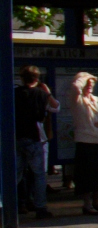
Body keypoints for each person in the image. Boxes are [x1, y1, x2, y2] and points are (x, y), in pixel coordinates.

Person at [14, 66, 59, 219]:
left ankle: (11, 203)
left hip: (17, 136)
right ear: (37, 78)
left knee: (16, 173)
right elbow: (56, 107)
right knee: (39, 174)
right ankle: (40, 207)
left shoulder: (15, 93)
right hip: (35, 137)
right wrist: (47, 92)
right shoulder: (41, 94)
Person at [69, 72, 98, 216]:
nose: (90, 87)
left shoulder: (97, 100)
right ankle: (87, 204)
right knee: (86, 175)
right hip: (84, 141)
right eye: (87, 85)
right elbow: (75, 87)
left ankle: (97, 202)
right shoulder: (77, 100)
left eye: (92, 84)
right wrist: (83, 78)